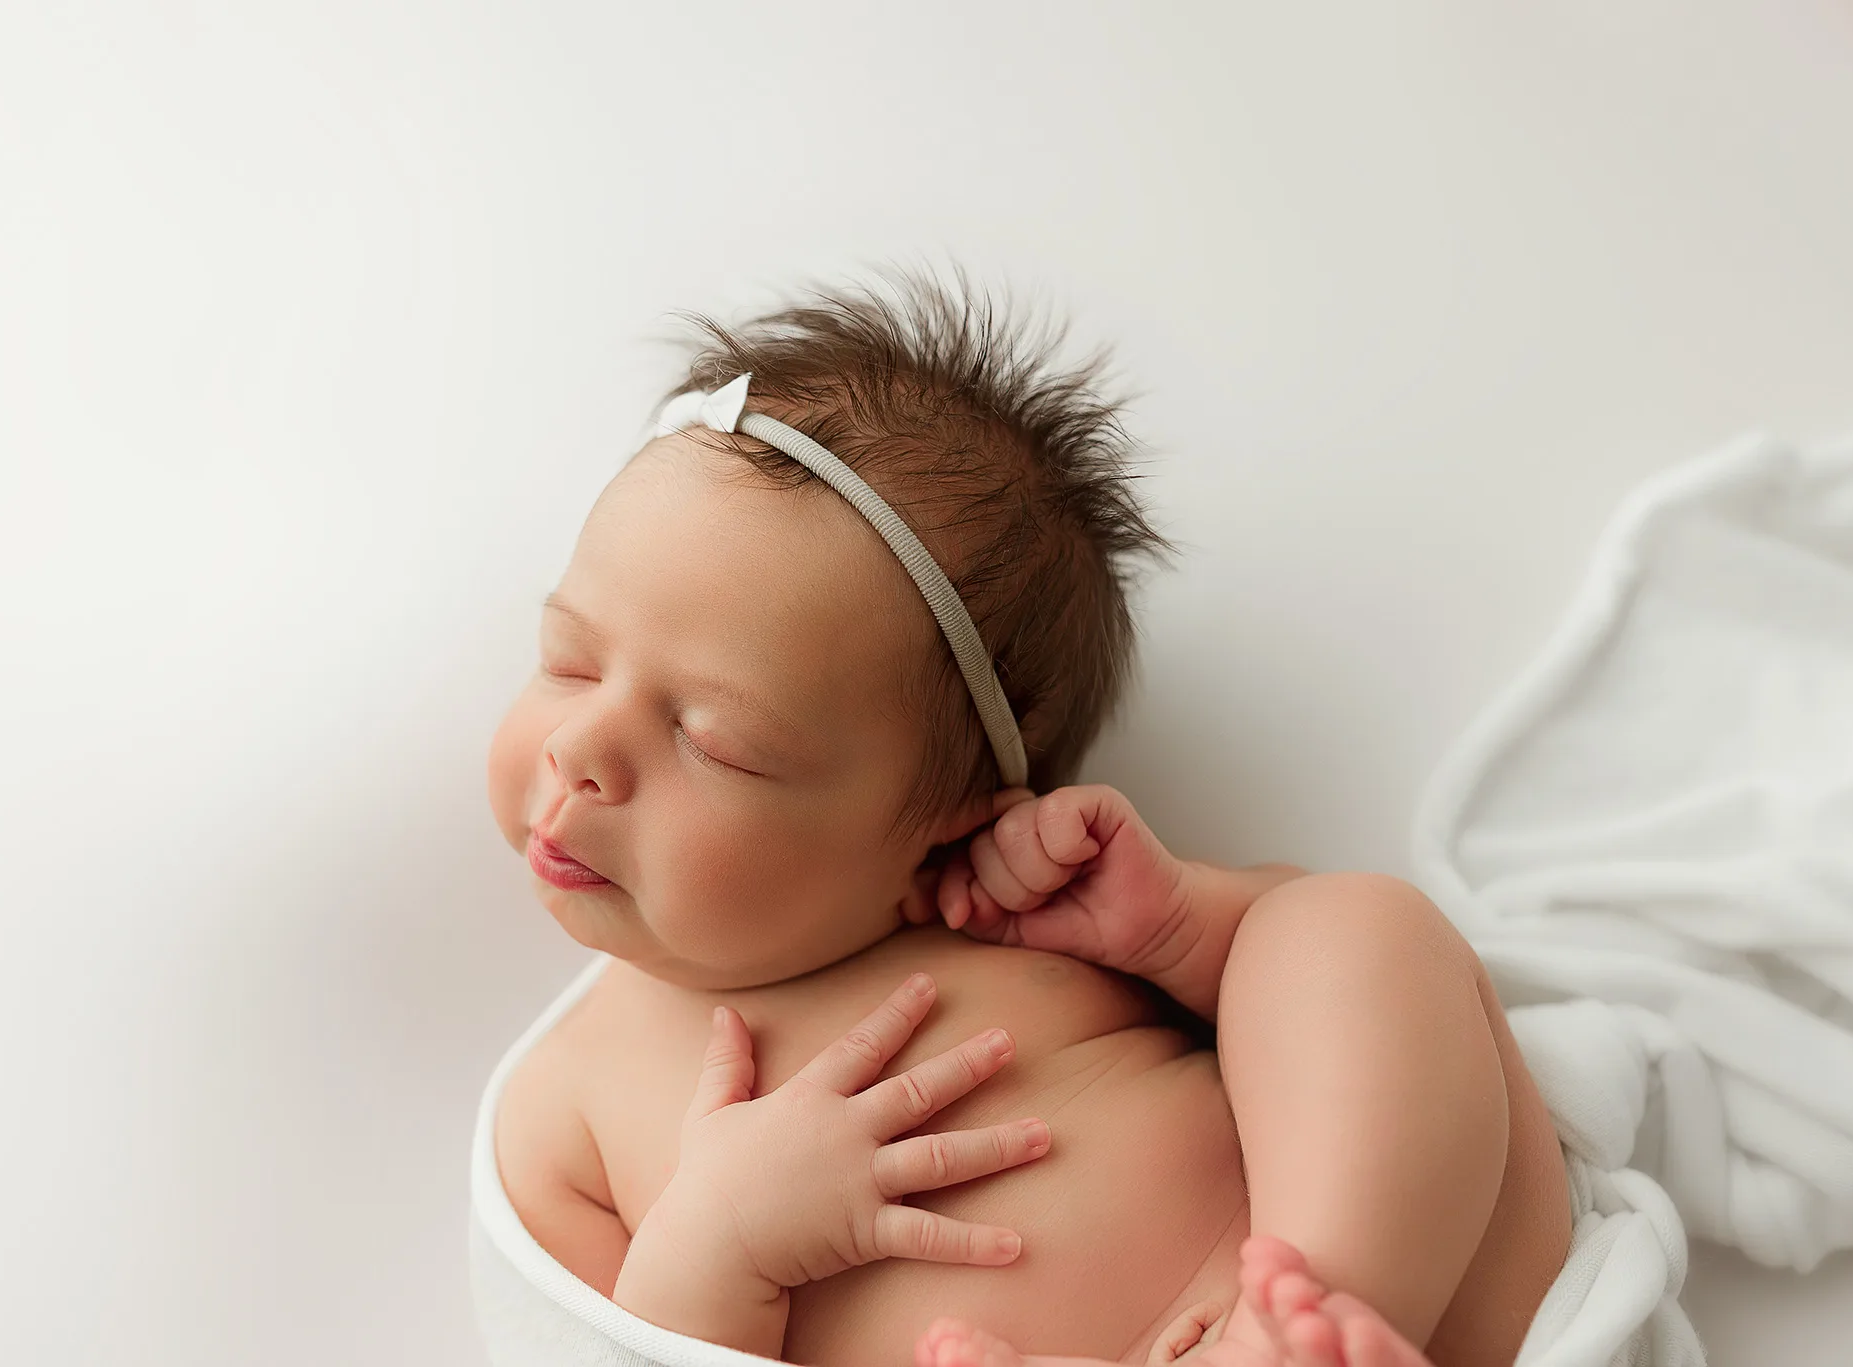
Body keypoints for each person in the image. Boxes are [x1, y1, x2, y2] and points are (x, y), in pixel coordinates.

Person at [482, 271, 1571, 1366]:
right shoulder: (558, 1111)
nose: (578, 748)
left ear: (940, 826)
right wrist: (713, 1247)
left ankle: (1313, 1315)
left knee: (1349, 926)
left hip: (1373, 1300)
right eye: (567, 662)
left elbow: (1336, 1039)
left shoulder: (1010, 921)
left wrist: (1181, 933)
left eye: (713, 739)